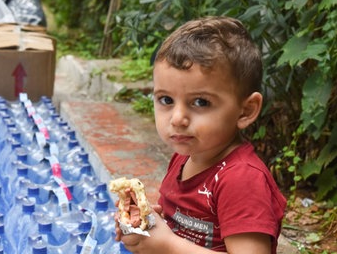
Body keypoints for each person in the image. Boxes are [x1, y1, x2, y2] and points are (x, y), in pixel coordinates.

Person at [115, 16, 287, 253]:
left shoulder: (241, 180)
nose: (177, 118)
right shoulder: (186, 157)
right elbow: (183, 225)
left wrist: (167, 245)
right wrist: (150, 224)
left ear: (246, 111)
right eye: (166, 100)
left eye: (200, 102)